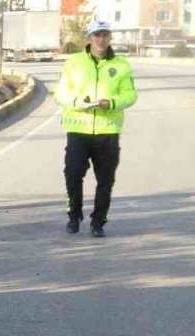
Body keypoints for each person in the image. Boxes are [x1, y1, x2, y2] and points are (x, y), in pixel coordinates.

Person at [54, 19, 137, 237]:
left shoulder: (121, 65)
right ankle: (74, 215)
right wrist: (76, 103)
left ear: (110, 38)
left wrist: (112, 103)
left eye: (105, 35)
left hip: (108, 131)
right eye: (97, 35)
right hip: (78, 129)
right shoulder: (74, 63)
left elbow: (130, 95)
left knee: (106, 180)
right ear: (89, 38)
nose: (101, 39)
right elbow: (60, 93)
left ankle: (98, 221)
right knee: (73, 173)